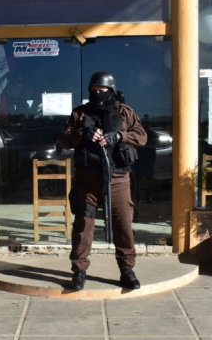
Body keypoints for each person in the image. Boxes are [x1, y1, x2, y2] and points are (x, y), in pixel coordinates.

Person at [58, 72, 147, 291]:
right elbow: (65, 140)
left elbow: (142, 136)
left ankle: (127, 270)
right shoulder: (80, 113)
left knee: (123, 225)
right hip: (88, 181)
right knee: (83, 226)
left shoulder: (125, 112)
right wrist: (82, 133)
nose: (97, 93)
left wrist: (120, 136)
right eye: (94, 90)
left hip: (118, 179)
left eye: (102, 90)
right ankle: (79, 271)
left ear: (111, 90)